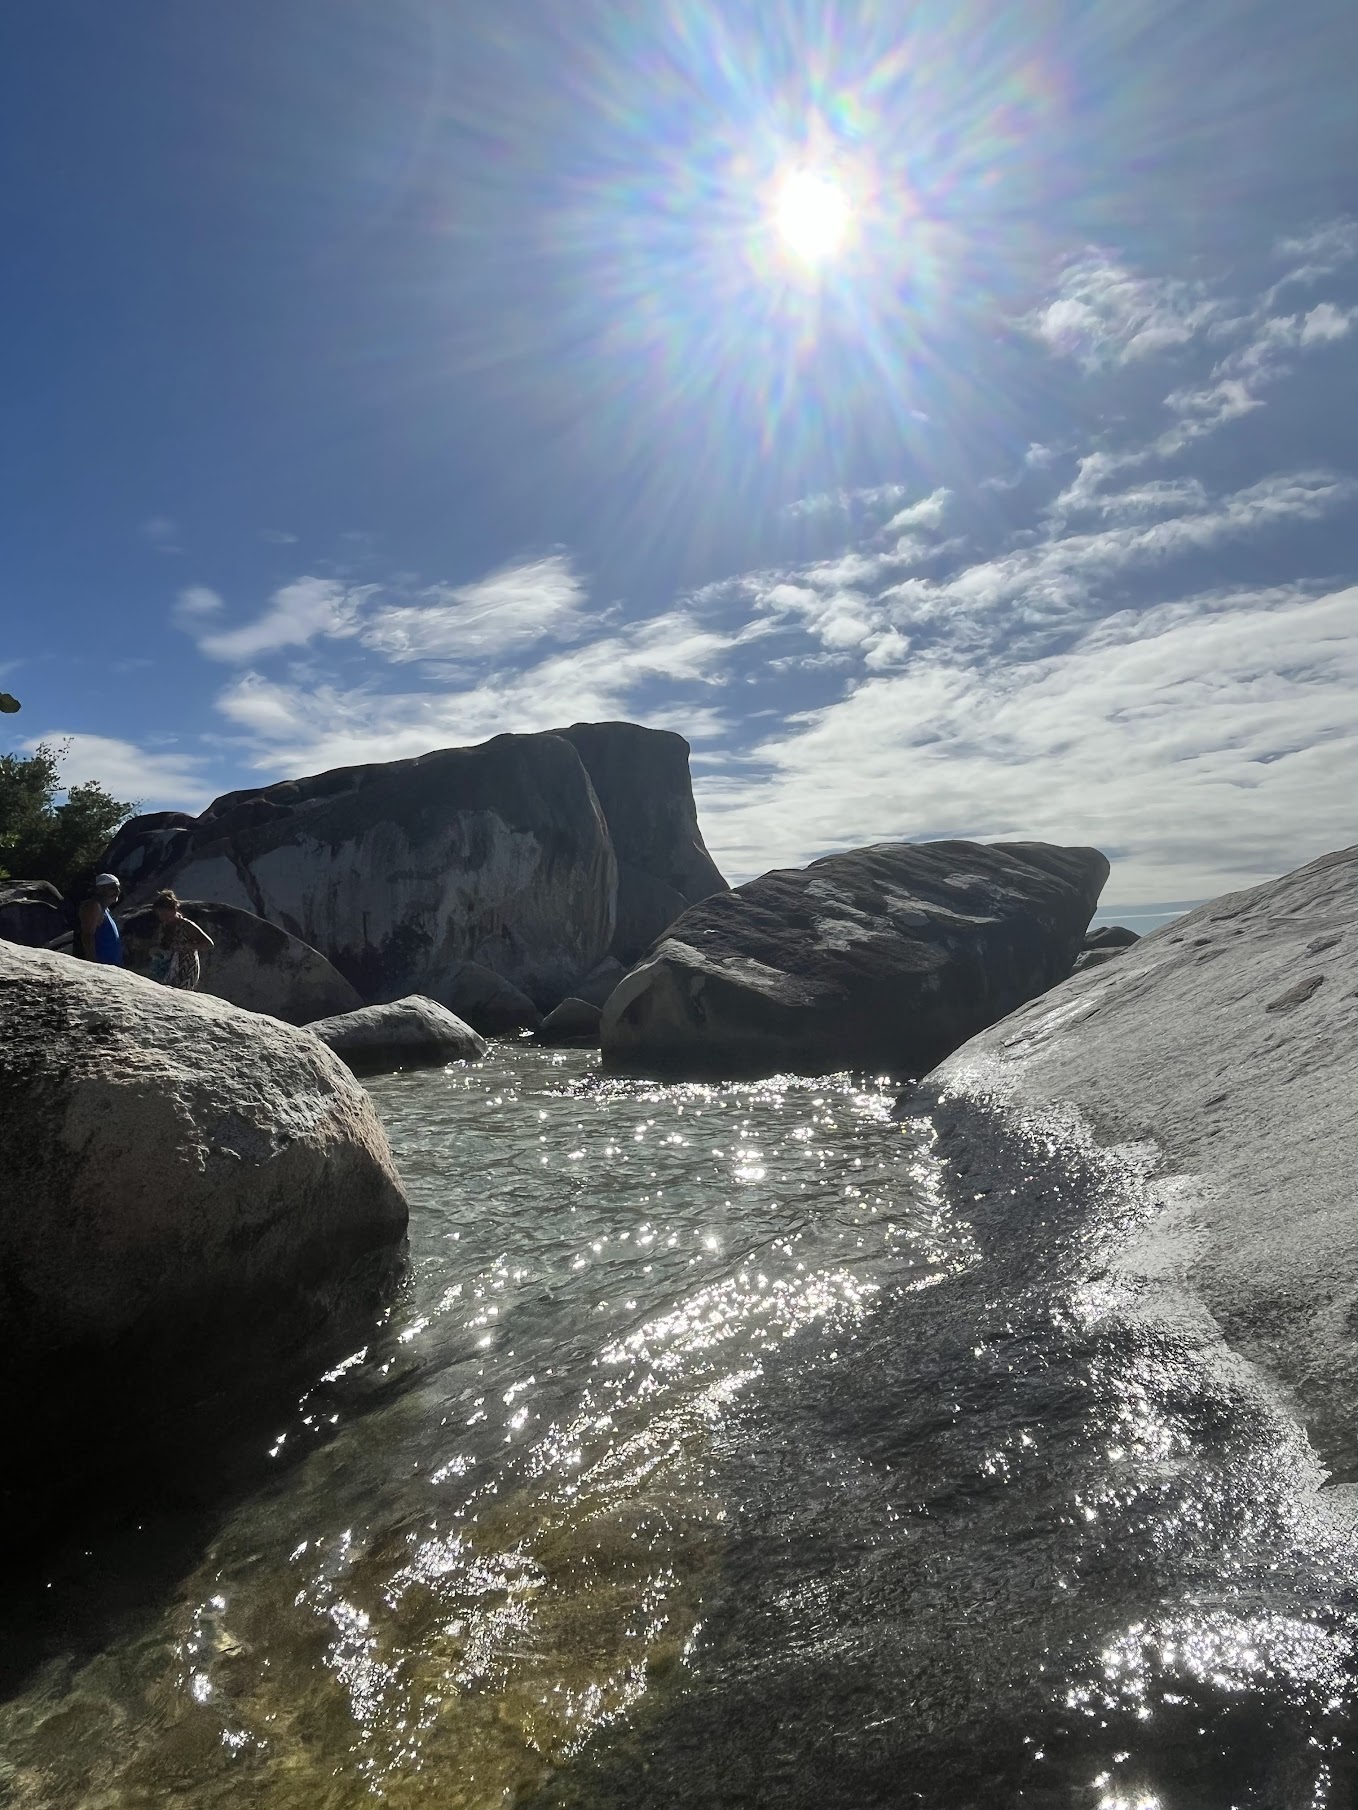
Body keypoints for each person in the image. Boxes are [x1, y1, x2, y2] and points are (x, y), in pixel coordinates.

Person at [148, 889, 214, 990]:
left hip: (187, 969)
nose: (163, 917)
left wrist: (187, 946)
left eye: (166, 913)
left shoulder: (187, 926)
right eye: (160, 914)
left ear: (174, 909)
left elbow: (209, 944)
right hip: (168, 968)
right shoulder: (164, 927)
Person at [79, 872, 124, 964]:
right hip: (101, 966)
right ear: (100, 889)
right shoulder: (93, 906)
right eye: (113, 888)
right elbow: (87, 936)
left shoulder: (105, 909)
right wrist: (92, 964)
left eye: (118, 888)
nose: (117, 891)